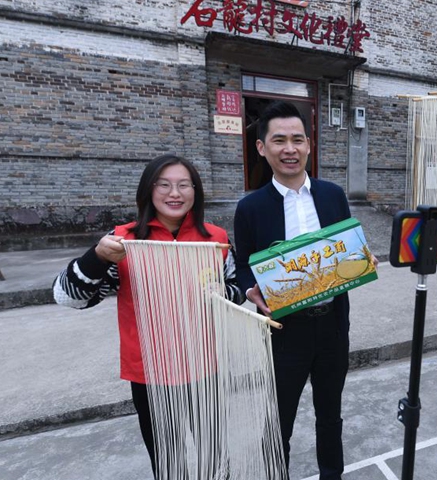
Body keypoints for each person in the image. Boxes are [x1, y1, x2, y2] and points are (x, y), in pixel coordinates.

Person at [53, 154, 245, 479]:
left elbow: (237, 289)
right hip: (150, 371)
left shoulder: (215, 238)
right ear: (148, 191)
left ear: (195, 191)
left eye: (184, 185)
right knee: (168, 462)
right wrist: (97, 257)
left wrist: (222, 293)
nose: (175, 193)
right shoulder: (124, 242)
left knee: (215, 455)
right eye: (164, 184)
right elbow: (67, 297)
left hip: (205, 366)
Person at [234, 101, 371, 480]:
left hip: (331, 326)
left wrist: (361, 259)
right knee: (279, 420)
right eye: (279, 140)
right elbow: (243, 263)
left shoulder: (332, 195)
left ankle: (332, 474)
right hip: (283, 331)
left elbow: (348, 248)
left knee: (331, 413)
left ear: (309, 145)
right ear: (262, 148)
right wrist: (250, 291)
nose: (289, 149)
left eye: (297, 139)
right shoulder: (251, 207)